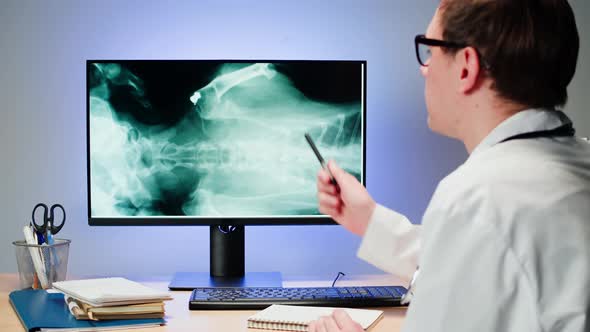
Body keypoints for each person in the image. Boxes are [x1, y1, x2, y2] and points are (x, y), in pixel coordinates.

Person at [308, 0, 590, 331]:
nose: (423, 69)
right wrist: (368, 220)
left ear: (466, 67)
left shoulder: (476, 197)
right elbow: (491, 264)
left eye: (429, 52)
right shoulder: (575, 164)